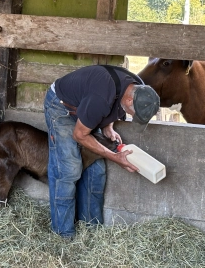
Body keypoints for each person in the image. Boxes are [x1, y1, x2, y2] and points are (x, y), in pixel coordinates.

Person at [44, 65, 161, 238]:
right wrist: (115, 157)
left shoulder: (139, 88)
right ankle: (63, 235)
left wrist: (108, 126)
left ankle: (92, 229)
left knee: (96, 172)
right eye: (133, 114)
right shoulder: (101, 98)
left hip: (88, 106)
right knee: (68, 169)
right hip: (62, 107)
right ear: (130, 101)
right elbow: (79, 135)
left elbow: (115, 105)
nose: (131, 117)